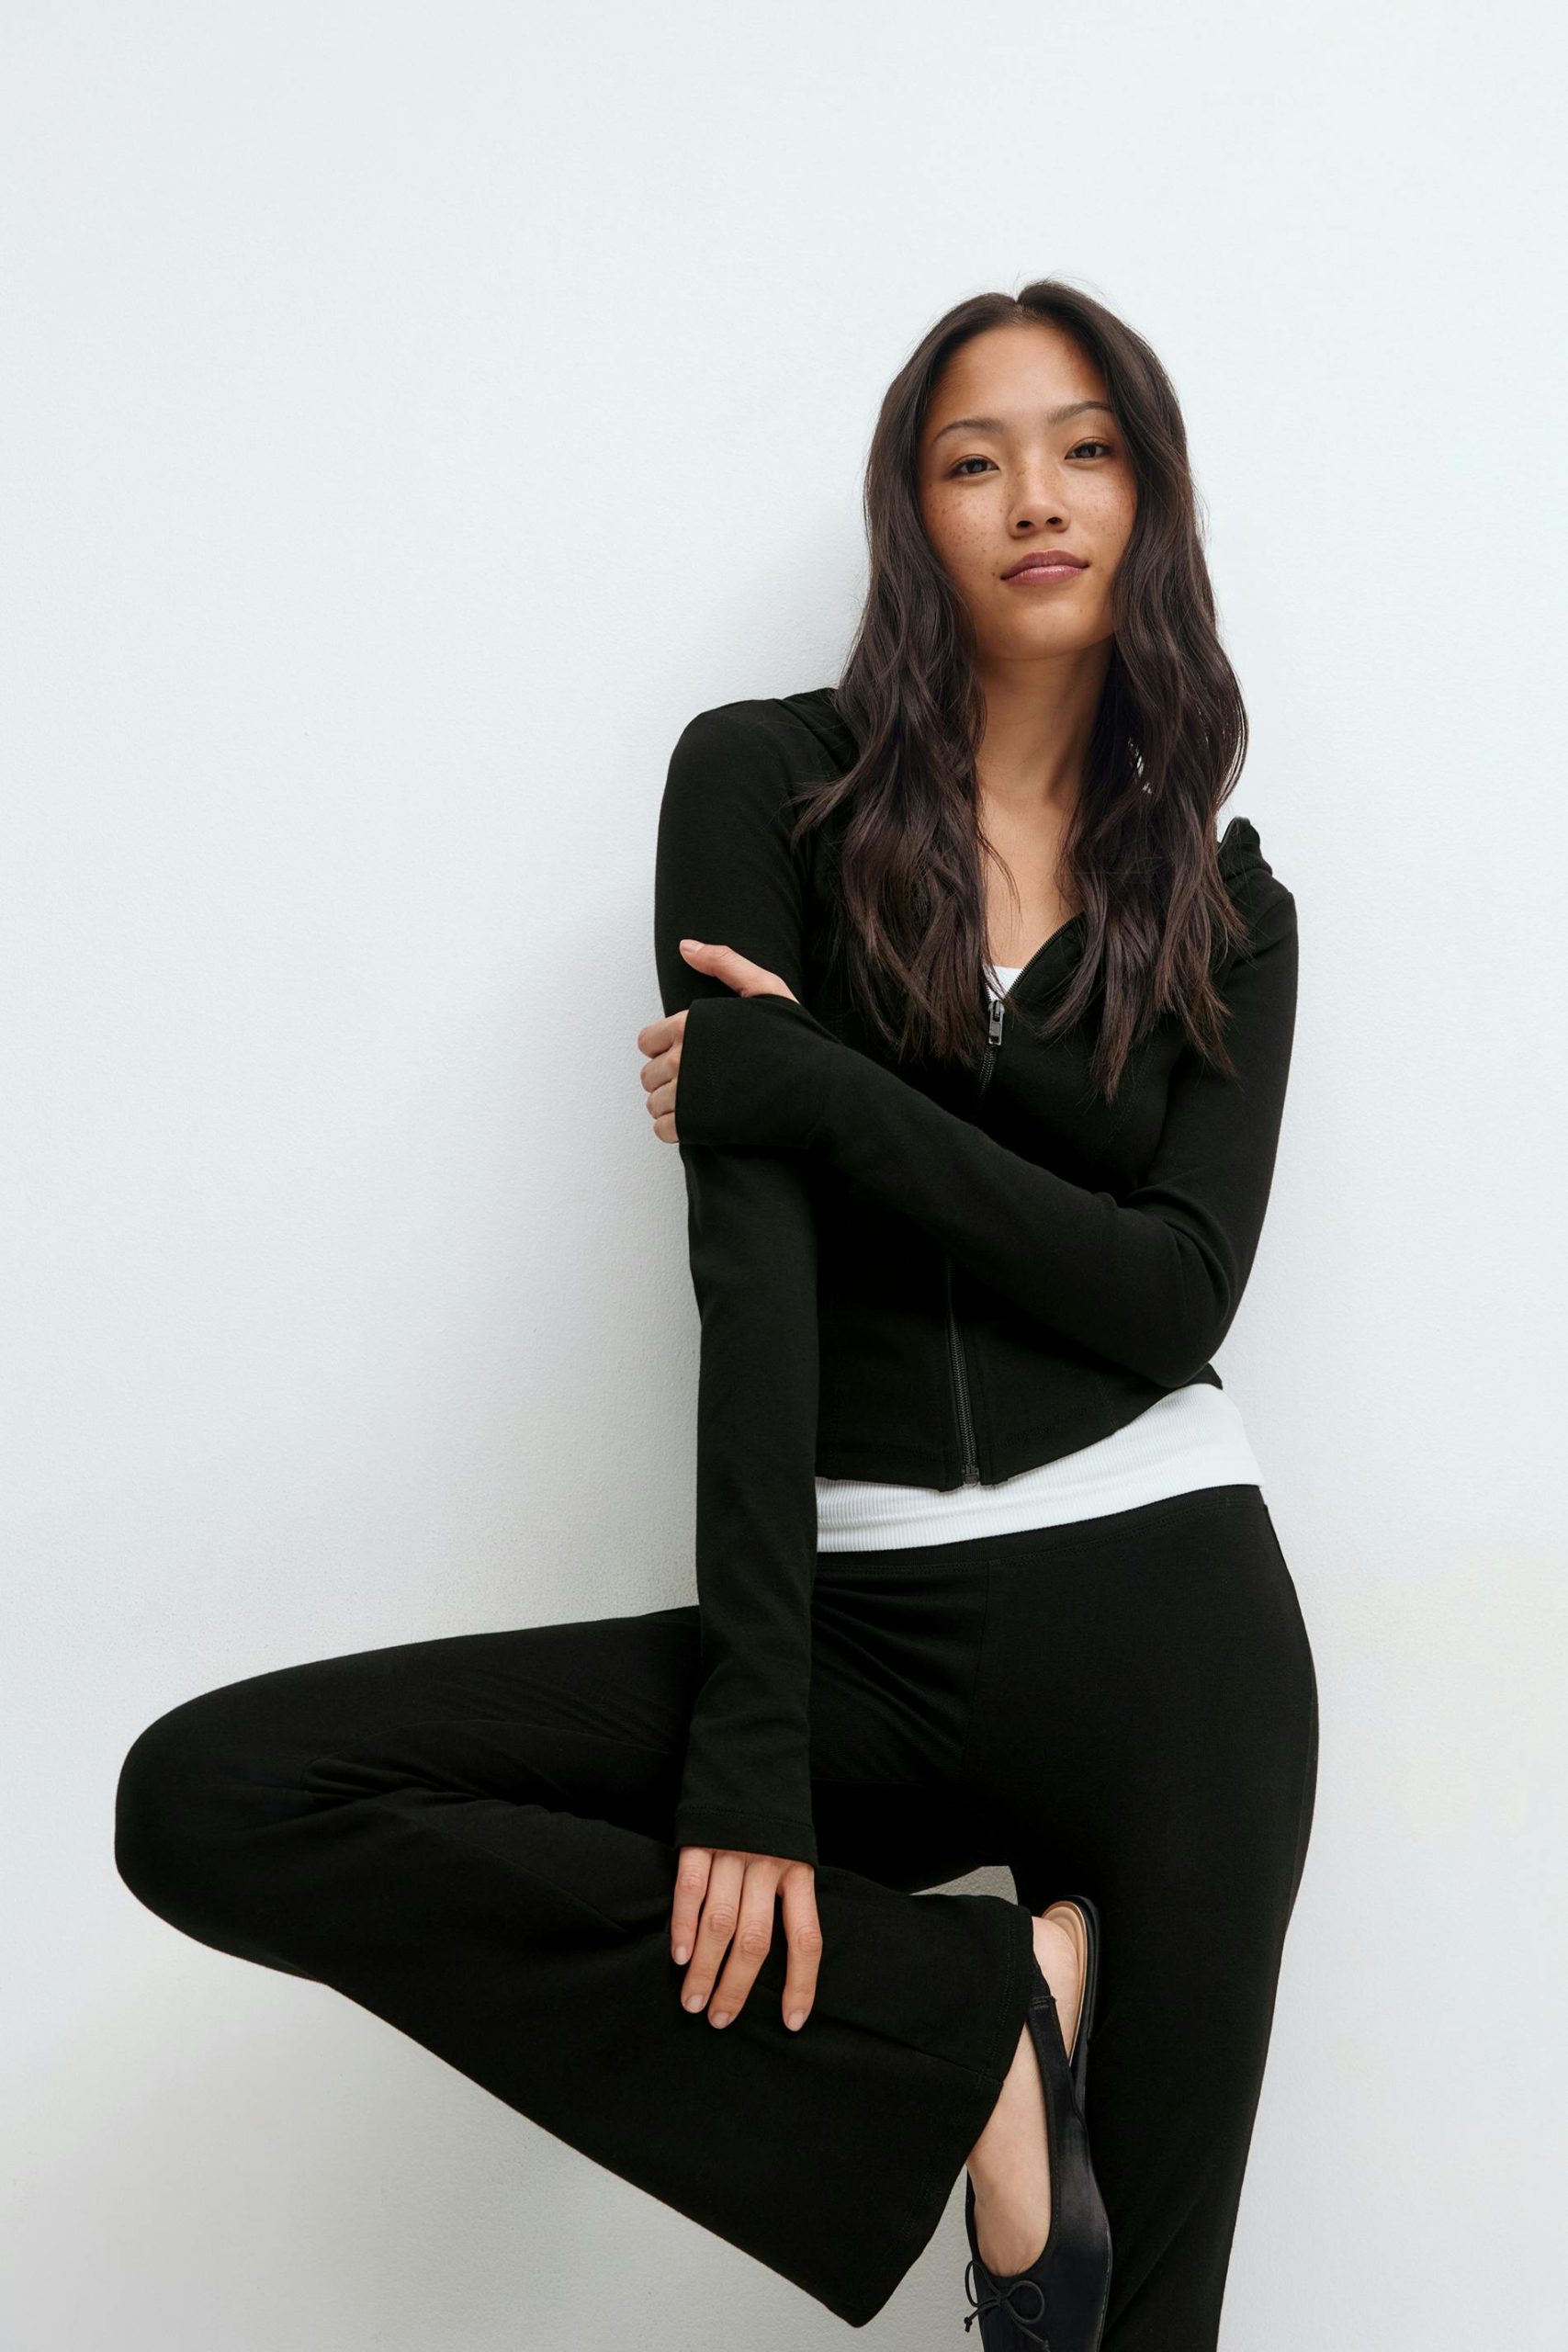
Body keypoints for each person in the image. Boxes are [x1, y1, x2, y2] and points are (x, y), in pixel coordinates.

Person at [114, 280, 1318, 2350]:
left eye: (1086, 448)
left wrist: (818, 1085)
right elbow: (749, 1281)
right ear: (910, 517)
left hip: (1175, 1632)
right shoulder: (768, 786)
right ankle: (976, 2016)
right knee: (215, 1794)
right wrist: (752, 1755)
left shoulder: (1224, 909)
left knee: (1118, 2331)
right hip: (855, 1635)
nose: (1034, 495)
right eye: (972, 459)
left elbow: (1172, 1291)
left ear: (1151, 498)